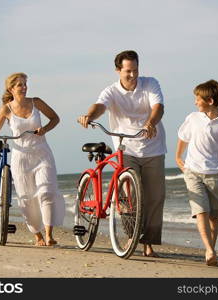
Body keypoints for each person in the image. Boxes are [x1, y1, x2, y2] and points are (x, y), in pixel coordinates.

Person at [78, 50, 167, 257]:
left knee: (155, 197)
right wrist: (88, 116)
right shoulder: (111, 91)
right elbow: (100, 106)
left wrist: (150, 122)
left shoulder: (150, 83)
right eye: (128, 71)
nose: (133, 75)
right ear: (118, 70)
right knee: (130, 197)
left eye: (135, 70)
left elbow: (158, 106)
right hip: (126, 149)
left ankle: (148, 243)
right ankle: (131, 236)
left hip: (153, 148)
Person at [0, 72, 65, 246]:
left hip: (42, 153)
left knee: (47, 192)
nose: (24, 87)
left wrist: (45, 129)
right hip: (21, 157)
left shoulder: (37, 102)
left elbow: (55, 118)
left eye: (25, 84)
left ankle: (49, 235)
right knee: (26, 198)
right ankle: (38, 235)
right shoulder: (6, 109)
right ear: (11, 89)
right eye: (20, 85)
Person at [175, 79, 218, 266]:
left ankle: (210, 250)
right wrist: (178, 158)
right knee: (201, 211)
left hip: (214, 175)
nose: (195, 102)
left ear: (210, 101)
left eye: (198, 98)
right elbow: (183, 137)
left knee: (213, 216)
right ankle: (210, 250)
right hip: (193, 171)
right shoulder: (193, 118)